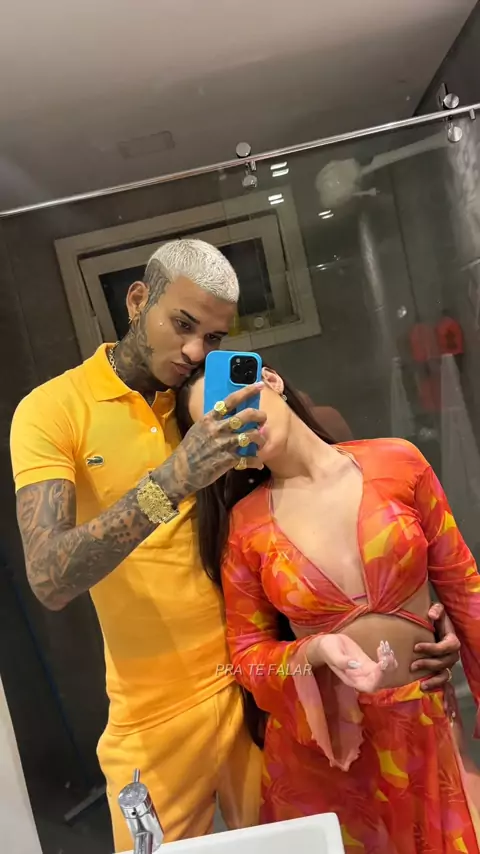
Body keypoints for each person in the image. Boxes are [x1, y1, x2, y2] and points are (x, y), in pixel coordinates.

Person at [9, 238, 459, 850]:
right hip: (154, 713)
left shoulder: (209, 397)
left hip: (261, 694)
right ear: (138, 300)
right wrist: (174, 479)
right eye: (183, 325)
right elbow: (49, 577)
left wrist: (419, 617)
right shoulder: (53, 411)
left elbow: (344, 491)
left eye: (214, 337)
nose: (196, 351)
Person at [176, 364, 480, 854]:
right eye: (219, 429)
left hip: (422, 730)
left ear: (271, 381)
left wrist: (459, 644)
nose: (237, 426)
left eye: (235, 404)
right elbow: (248, 657)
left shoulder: (398, 463)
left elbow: (465, 589)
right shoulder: (244, 527)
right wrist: (314, 651)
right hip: (327, 755)